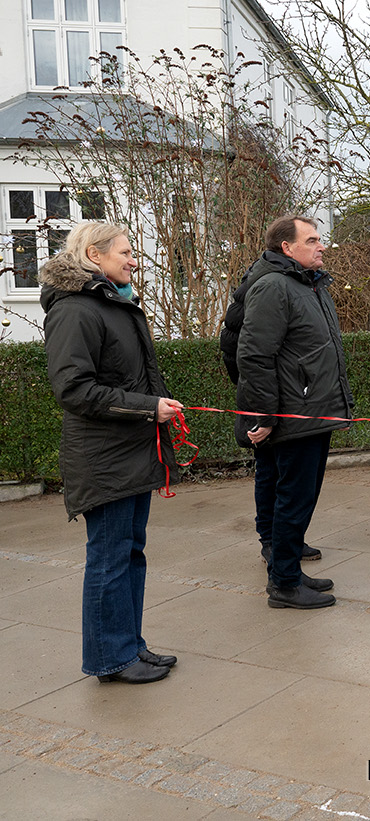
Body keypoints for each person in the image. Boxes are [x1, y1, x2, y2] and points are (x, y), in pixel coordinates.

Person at [40, 222, 183, 684]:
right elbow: (75, 389)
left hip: (132, 452)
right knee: (109, 558)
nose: (133, 260)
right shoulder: (76, 310)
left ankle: (129, 646)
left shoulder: (112, 302)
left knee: (129, 554)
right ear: (94, 255)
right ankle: (111, 659)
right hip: (105, 460)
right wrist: (149, 408)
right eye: (125, 252)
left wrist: (154, 408)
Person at [237, 215, 348, 609]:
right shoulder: (274, 287)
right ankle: (283, 583)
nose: (322, 246)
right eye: (313, 240)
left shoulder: (308, 284)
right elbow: (254, 355)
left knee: (301, 496)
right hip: (295, 414)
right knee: (292, 497)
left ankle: (289, 571)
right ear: (288, 247)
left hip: (313, 410)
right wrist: (264, 416)